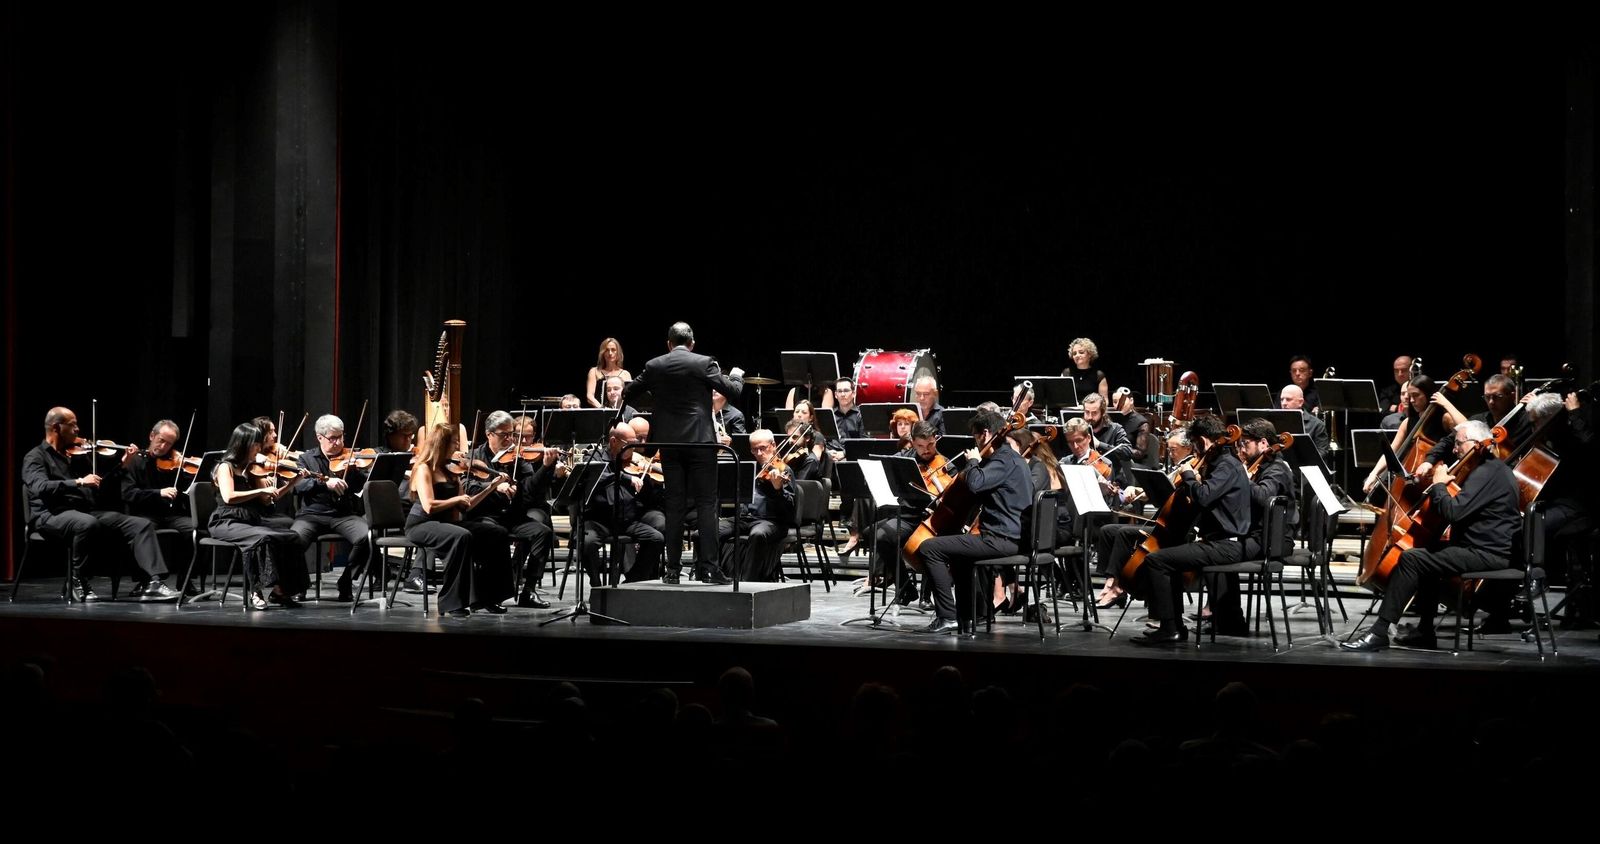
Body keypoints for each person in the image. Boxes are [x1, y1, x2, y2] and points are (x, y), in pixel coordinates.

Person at [1342, 419, 1522, 651]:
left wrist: (1438, 485)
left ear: (1476, 444)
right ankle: (1425, 632)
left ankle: (1379, 632)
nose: (1455, 449)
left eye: (1459, 444)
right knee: (1428, 554)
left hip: (1488, 554)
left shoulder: (1486, 474)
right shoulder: (1493, 469)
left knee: (1411, 558)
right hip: (1483, 548)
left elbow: (1453, 512)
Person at [621, 321, 744, 585]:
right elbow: (733, 391)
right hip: (700, 443)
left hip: (670, 444)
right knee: (706, 506)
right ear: (692, 344)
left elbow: (628, 393)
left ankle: (672, 571)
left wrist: (658, 395)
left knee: (674, 506)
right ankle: (710, 569)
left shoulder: (655, 365)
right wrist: (736, 375)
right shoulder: (704, 363)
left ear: (668, 343)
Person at [21, 407, 183, 603]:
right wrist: (79, 482)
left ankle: (153, 582)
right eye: (73, 425)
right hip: (50, 514)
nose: (78, 430)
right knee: (86, 524)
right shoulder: (35, 457)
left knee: (140, 524)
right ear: (56, 427)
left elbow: (99, 485)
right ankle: (76, 581)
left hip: (82, 511)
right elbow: (39, 487)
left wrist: (122, 465)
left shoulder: (75, 456)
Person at [1129, 415, 1251, 646]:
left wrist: (1188, 476)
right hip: (1216, 541)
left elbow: (1204, 497)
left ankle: (1170, 628)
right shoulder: (1221, 463)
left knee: (1157, 560)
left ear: (1204, 441)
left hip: (1226, 544)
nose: (1196, 451)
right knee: (1168, 556)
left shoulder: (1226, 465)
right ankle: (1174, 626)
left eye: (1195, 444)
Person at [913, 408, 1033, 634]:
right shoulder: (1015, 460)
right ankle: (967, 616)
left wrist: (974, 462)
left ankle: (947, 616)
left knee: (929, 548)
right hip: (1012, 537)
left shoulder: (1002, 461)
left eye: (976, 437)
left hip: (1002, 540)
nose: (976, 443)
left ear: (986, 434)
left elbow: (976, 483)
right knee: (960, 555)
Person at [406, 422, 516, 617]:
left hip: (445, 523)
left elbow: (466, 506)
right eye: (454, 443)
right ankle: (452, 603)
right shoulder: (424, 468)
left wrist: (490, 487)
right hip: (421, 524)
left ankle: (489, 597)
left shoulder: (451, 470)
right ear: (442, 444)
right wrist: (456, 498)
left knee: (496, 533)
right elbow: (429, 505)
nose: (458, 448)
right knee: (462, 536)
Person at [1204, 418, 1299, 636]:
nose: (1241, 449)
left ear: (1264, 443)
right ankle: (1226, 618)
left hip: (1274, 540)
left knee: (1218, 552)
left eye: (1245, 443)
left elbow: (1265, 497)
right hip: (1258, 534)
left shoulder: (1278, 468)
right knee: (1216, 542)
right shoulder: (1260, 465)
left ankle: (1230, 621)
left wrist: (1241, 478)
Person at [207, 422, 307, 610]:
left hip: (249, 520)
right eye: (255, 444)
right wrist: (258, 492)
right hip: (226, 520)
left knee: (291, 536)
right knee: (261, 538)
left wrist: (293, 482)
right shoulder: (225, 467)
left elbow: (268, 499)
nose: (259, 449)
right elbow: (229, 497)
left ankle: (281, 591)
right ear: (243, 444)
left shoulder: (253, 470)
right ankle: (256, 591)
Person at [463, 411, 557, 609]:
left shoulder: (518, 458)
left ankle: (529, 591)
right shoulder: (474, 457)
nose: (509, 439)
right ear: (489, 434)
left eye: (511, 434)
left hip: (512, 516)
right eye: (503, 435)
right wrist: (493, 486)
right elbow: (467, 487)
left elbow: (531, 491)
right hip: (485, 515)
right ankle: (490, 595)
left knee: (543, 532)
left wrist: (546, 468)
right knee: (496, 535)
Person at [1093, 427, 1193, 608]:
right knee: (1107, 531)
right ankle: (1110, 580)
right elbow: (1161, 488)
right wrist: (1136, 490)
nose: (1170, 454)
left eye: (1174, 450)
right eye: (1168, 450)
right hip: (1161, 522)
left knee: (1124, 533)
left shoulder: (1191, 470)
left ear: (1188, 448)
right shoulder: (1178, 468)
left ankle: (1118, 587)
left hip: (1174, 528)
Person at [291, 414, 374, 603]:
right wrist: (324, 484)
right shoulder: (306, 459)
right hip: (311, 515)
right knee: (293, 541)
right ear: (320, 437)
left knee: (365, 538)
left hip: (343, 515)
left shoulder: (351, 458)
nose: (338, 442)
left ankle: (346, 581)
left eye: (341, 437)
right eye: (332, 438)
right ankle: (299, 585)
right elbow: (297, 486)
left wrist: (358, 473)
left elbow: (361, 488)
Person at [581, 423, 666, 586]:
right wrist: (627, 478)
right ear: (614, 441)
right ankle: (596, 584)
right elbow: (600, 476)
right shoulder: (594, 457)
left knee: (656, 538)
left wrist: (647, 479)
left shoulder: (633, 462)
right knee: (587, 543)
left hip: (626, 520)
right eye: (629, 444)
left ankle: (633, 579)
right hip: (598, 521)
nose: (634, 449)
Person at [120, 419, 199, 593]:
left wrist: (192, 473)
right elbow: (128, 494)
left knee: (196, 530)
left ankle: (186, 580)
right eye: (161, 440)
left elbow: (186, 489)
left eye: (169, 444)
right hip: (144, 514)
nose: (164, 447)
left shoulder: (175, 463)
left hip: (170, 515)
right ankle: (147, 580)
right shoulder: (134, 461)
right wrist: (158, 492)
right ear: (152, 436)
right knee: (143, 527)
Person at [716, 428, 796, 582]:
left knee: (758, 534)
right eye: (754, 450)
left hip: (771, 521)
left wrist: (778, 488)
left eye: (763, 448)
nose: (759, 454)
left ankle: (748, 581)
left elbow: (789, 510)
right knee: (705, 532)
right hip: (745, 518)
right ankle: (707, 575)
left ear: (773, 445)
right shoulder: (748, 468)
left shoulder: (784, 470)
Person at [1361, 375, 1461, 497]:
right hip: (1411, 477)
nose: (1412, 400)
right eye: (1410, 396)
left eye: (1416, 395)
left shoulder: (1444, 418)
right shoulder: (1408, 422)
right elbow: (1392, 451)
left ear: (1429, 394)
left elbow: (1468, 428)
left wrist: (1446, 404)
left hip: (1434, 478)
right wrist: (1373, 474)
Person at [1082, 393, 1135, 488]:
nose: (1089, 417)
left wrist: (1099, 444)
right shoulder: (1080, 431)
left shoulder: (1116, 429)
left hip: (1112, 482)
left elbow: (1127, 452)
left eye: (1094, 413)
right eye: (1087, 412)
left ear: (1102, 413)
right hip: (1085, 482)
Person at [1279, 384, 1331, 463]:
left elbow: (1322, 451)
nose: (1284, 403)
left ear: (1300, 402)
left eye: (1288, 399)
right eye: (1282, 399)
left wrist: (1303, 460)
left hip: (1306, 468)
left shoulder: (1317, 425)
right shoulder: (1276, 422)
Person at [1113, 387, 1157, 468]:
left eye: (1122, 401)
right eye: (1115, 402)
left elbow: (1139, 453)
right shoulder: (1113, 419)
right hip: (1116, 462)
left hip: (1133, 465)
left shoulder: (1141, 423)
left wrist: (1115, 450)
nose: (1118, 405)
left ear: (1131, 401)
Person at [585, 337, 632, 409]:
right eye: (607, 350)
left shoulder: (625, 374)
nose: (610, 353)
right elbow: (590, 396)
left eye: (613, 350)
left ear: (618, 352)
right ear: (602, 353)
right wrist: (603, 409)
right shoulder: (594, 371)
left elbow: (629, 397)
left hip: (620, 412)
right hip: (600, 412)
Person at [1060, 337, 1110, 405]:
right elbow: (1061, 397)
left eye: (1081, 352)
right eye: (1074, 353)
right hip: (1070, 411)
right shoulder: (1066, 373)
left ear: (1089, 354)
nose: (1077, 355)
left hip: (1092, 412)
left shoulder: (1099, 375)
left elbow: (1105, 401)